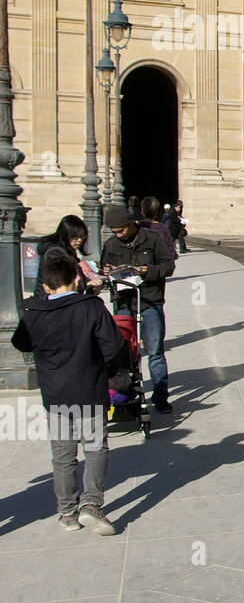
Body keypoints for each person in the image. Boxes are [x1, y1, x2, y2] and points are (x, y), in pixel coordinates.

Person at [11, 251, 126, 534]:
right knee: (95, 448)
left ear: (47, 287)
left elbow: (21, 343)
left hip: (56, 395)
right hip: (89, 389)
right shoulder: (92, 307)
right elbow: (114, 347)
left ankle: (67, 513)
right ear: (77, 279)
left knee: (63, 456)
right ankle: (91, 504)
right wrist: (111, 370)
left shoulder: (34, 313)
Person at [101, 204, 175, 413]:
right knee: (123, 352)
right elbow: (103, 268)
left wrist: (146, 270)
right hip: (124, 301)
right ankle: (126, 395)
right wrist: (107, 272)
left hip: (149, 300)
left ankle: (161, 397)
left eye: (121, 230)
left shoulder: (152, 239)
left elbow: (168, 267)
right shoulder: (111, 245)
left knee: (155, 351)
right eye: (115, 232)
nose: (119, 235)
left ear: (130, 224)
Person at [36, 214, 104, 297]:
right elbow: (62, 283)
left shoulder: (68, 250)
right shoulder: (54, 254)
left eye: (82, 236)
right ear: (65, 236)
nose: (79, 240)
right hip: (50, 301)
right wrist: (86, 284)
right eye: (74, 237)